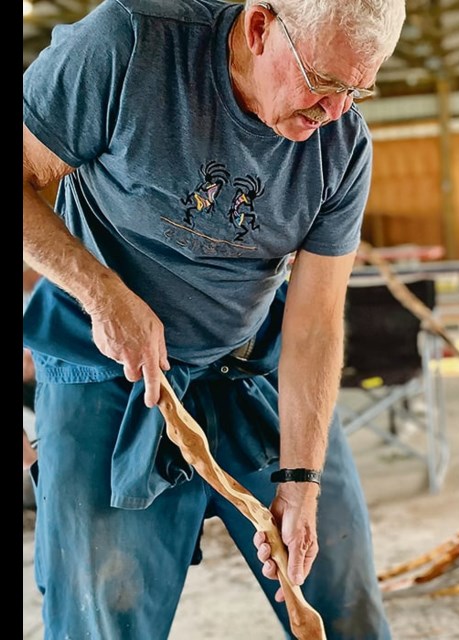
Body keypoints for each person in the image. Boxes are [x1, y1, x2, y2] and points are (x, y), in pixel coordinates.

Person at [22, 0, 405, 637]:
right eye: (325, 83)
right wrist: (100, 291)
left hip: (250, 364)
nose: (335, 111)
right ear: (260, 27)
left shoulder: (341, 144)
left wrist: (301, 479)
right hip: (108, 364)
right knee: (103, 611)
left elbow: (313, 325)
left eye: (359, 88)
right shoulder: (129, 46)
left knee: (340, 597)